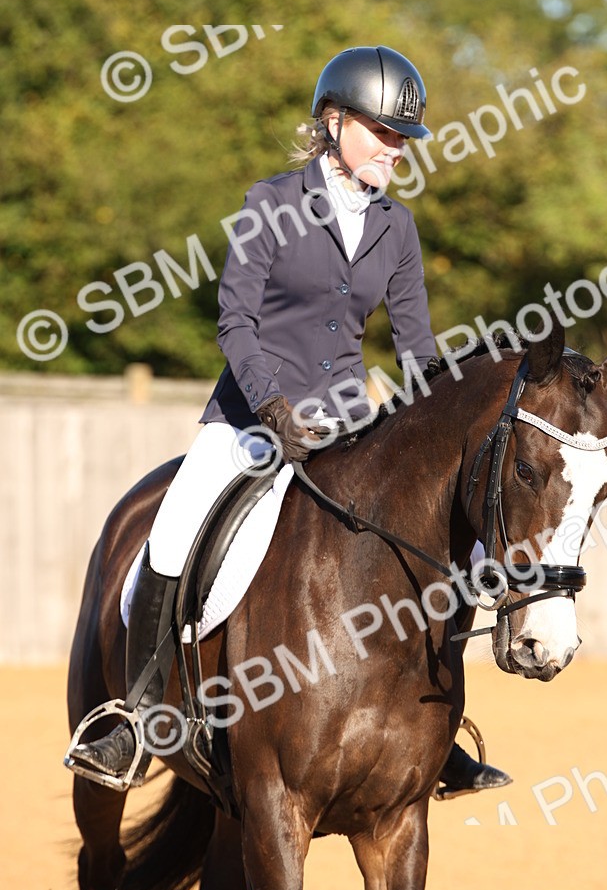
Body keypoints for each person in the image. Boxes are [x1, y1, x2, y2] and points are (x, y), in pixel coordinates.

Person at [67, 45, 511, 797]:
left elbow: (415, 347)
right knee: (172, 533)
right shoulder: (269, 203)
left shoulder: (395, 229)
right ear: (333, 123)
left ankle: (436, 729)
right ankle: (134, 714)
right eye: (382, 132)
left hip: (348, 425)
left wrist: (455, 400)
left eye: (404, 139)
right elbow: (235, 321)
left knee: (431, 545)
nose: (396, 150)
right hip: (248, 417)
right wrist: (271, 405)